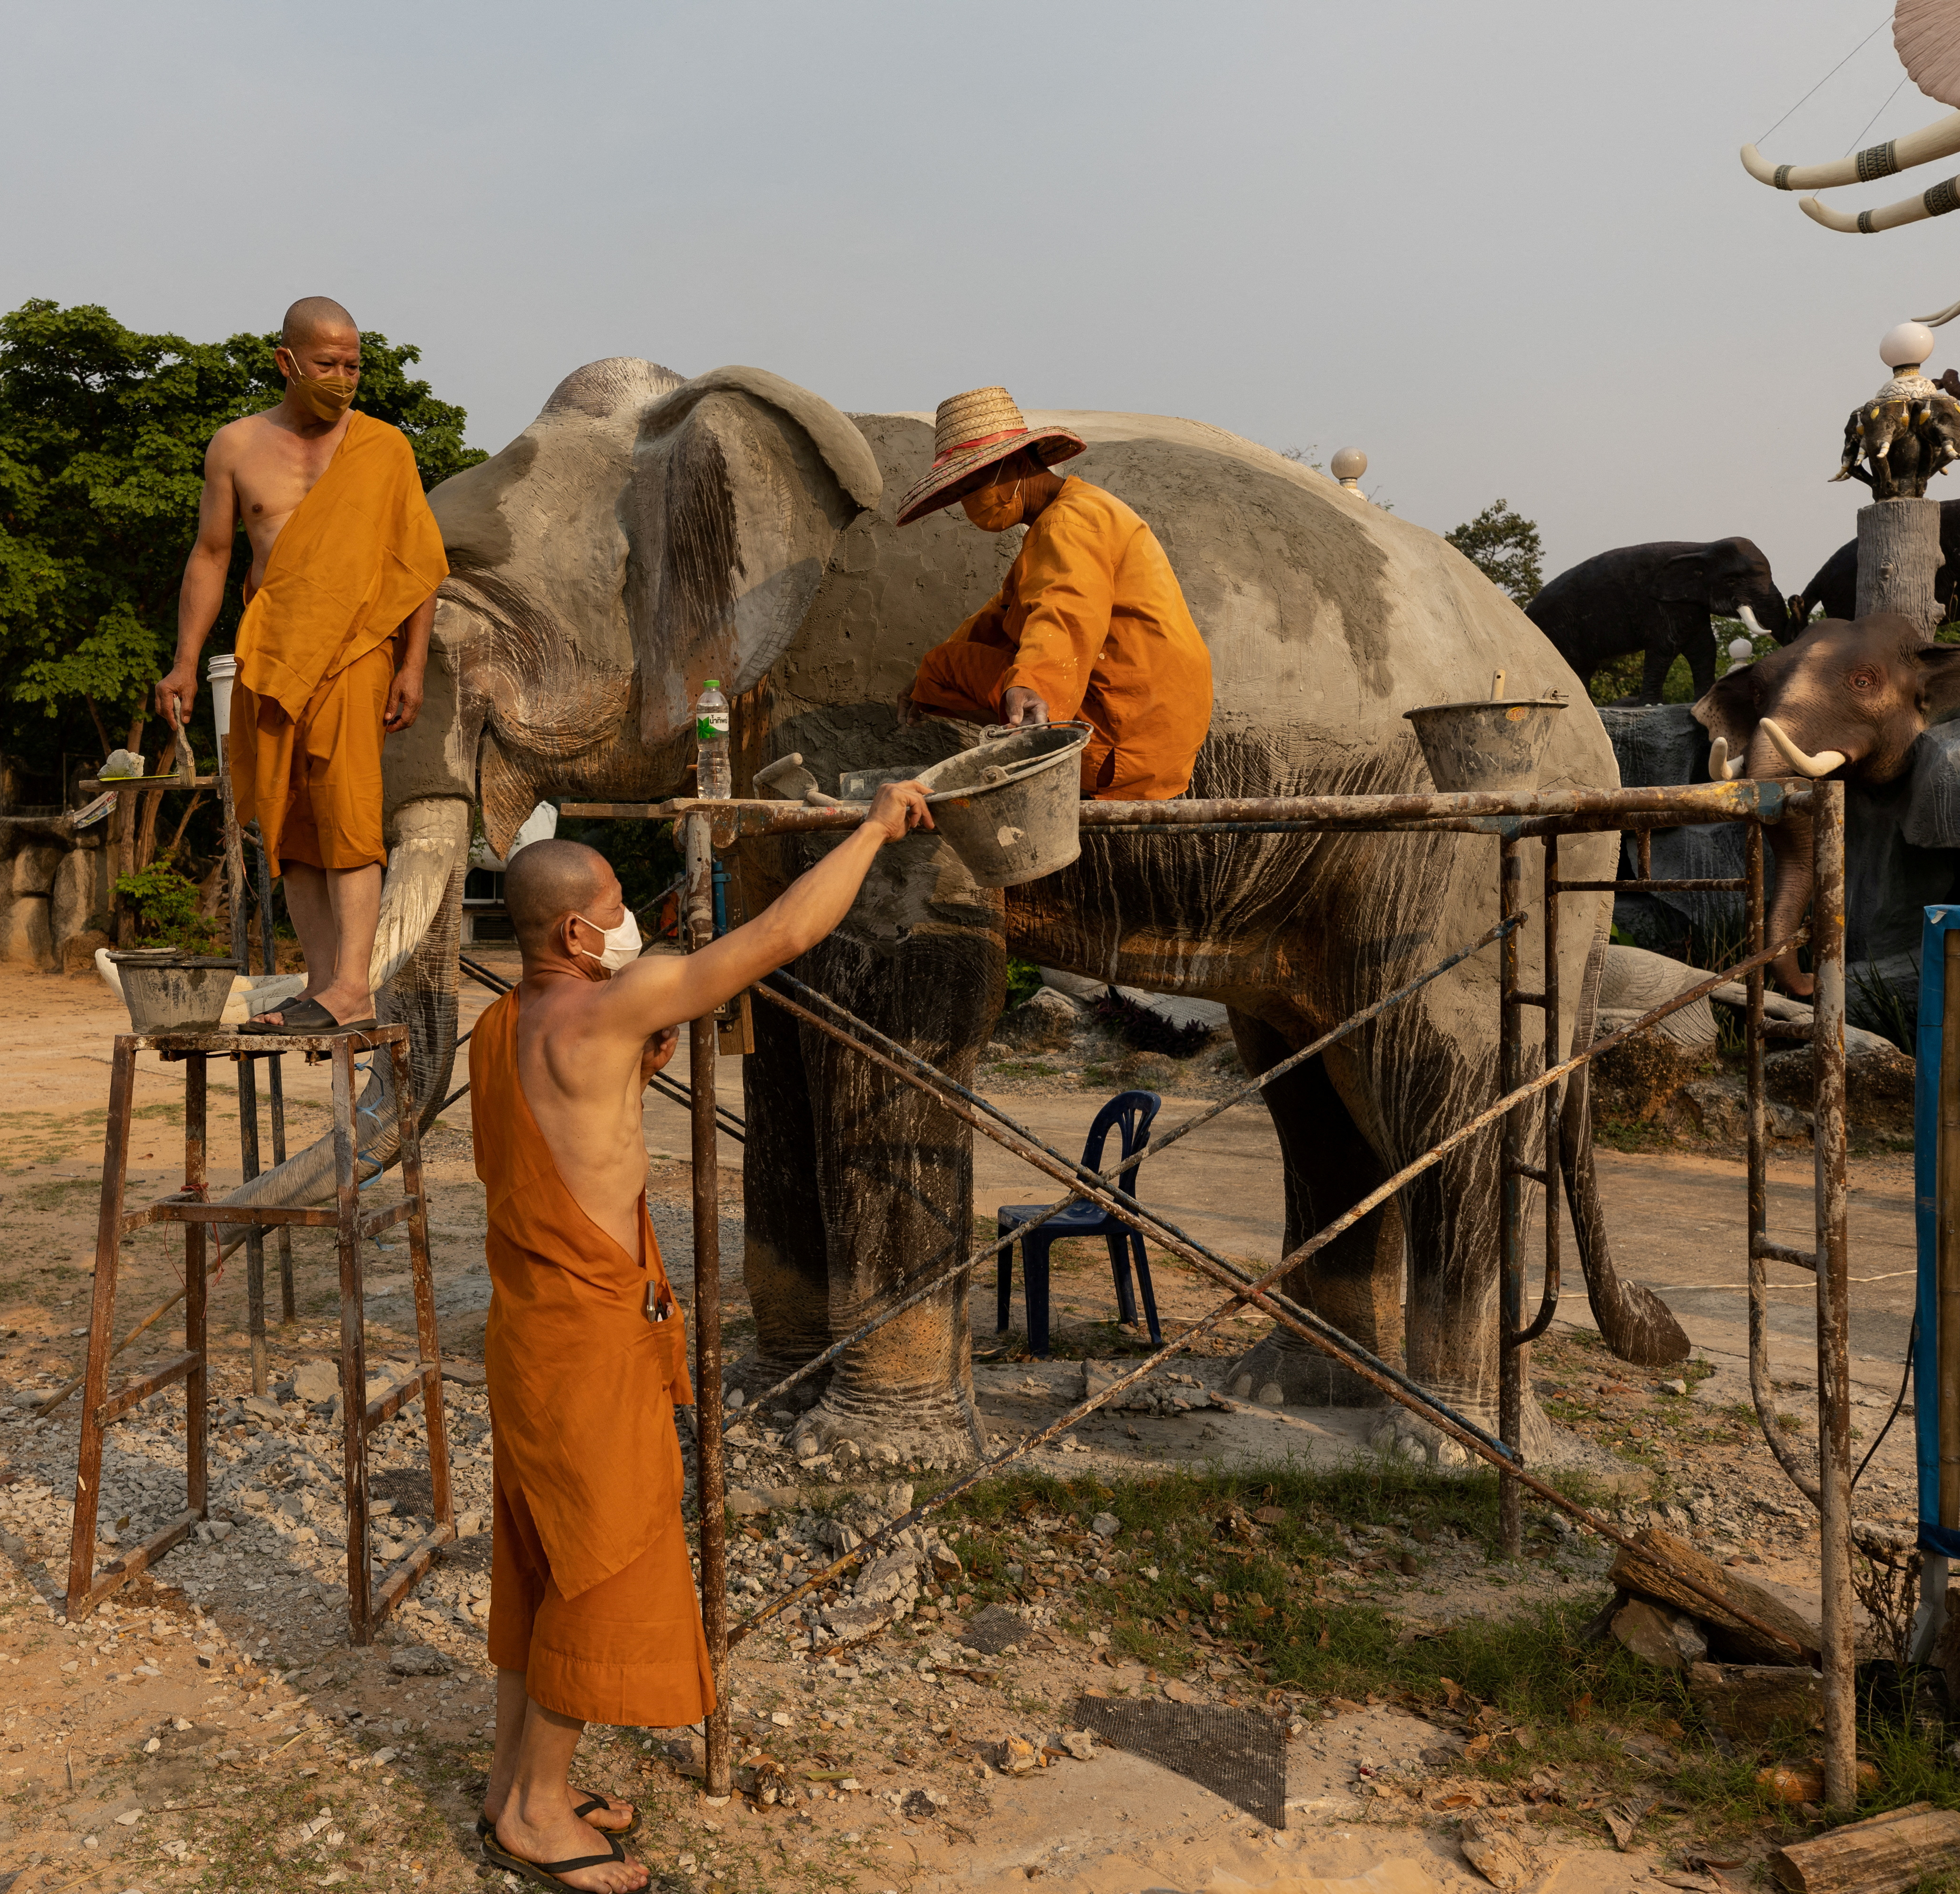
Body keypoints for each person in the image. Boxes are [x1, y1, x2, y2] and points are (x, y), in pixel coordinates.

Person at [473, 780, 937, 1894]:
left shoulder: (505, 1022)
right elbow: (784, 934)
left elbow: (579, 1116)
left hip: (528, 1335)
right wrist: (874, 826)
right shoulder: (610, 1005)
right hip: (589, 1345)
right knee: (602, 1564)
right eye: (620, 905)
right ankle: (536, 1813)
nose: (631, 921)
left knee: (541, 1555)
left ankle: (509, 1780)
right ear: (578, 931)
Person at [153, 294, 449, 1032]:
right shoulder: (236, 447)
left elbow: (416, 567)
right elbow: (213, 555)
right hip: (272, 655)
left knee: (348, 811)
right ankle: (322, 983)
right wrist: (186, 662)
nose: (343, 378)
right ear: (287, 362)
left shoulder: (385, 448)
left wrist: (413, 666)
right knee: (289, 825)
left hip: (355, 651)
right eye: (327, 364)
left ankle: (354, 986)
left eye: (354, 364)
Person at [894, 385, 1212, 802]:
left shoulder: (1070, 524)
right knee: (937, 670)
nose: (970, 502)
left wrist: (1033, 686)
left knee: (942, 667)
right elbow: (1001, 616)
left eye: (975, 482)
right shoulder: (1069, 515)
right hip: (1153, 731)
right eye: (961, 492)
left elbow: (1066, 611)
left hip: (1122, 737)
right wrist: (922, 686)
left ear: (1022, 461)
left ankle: (1040, 744)